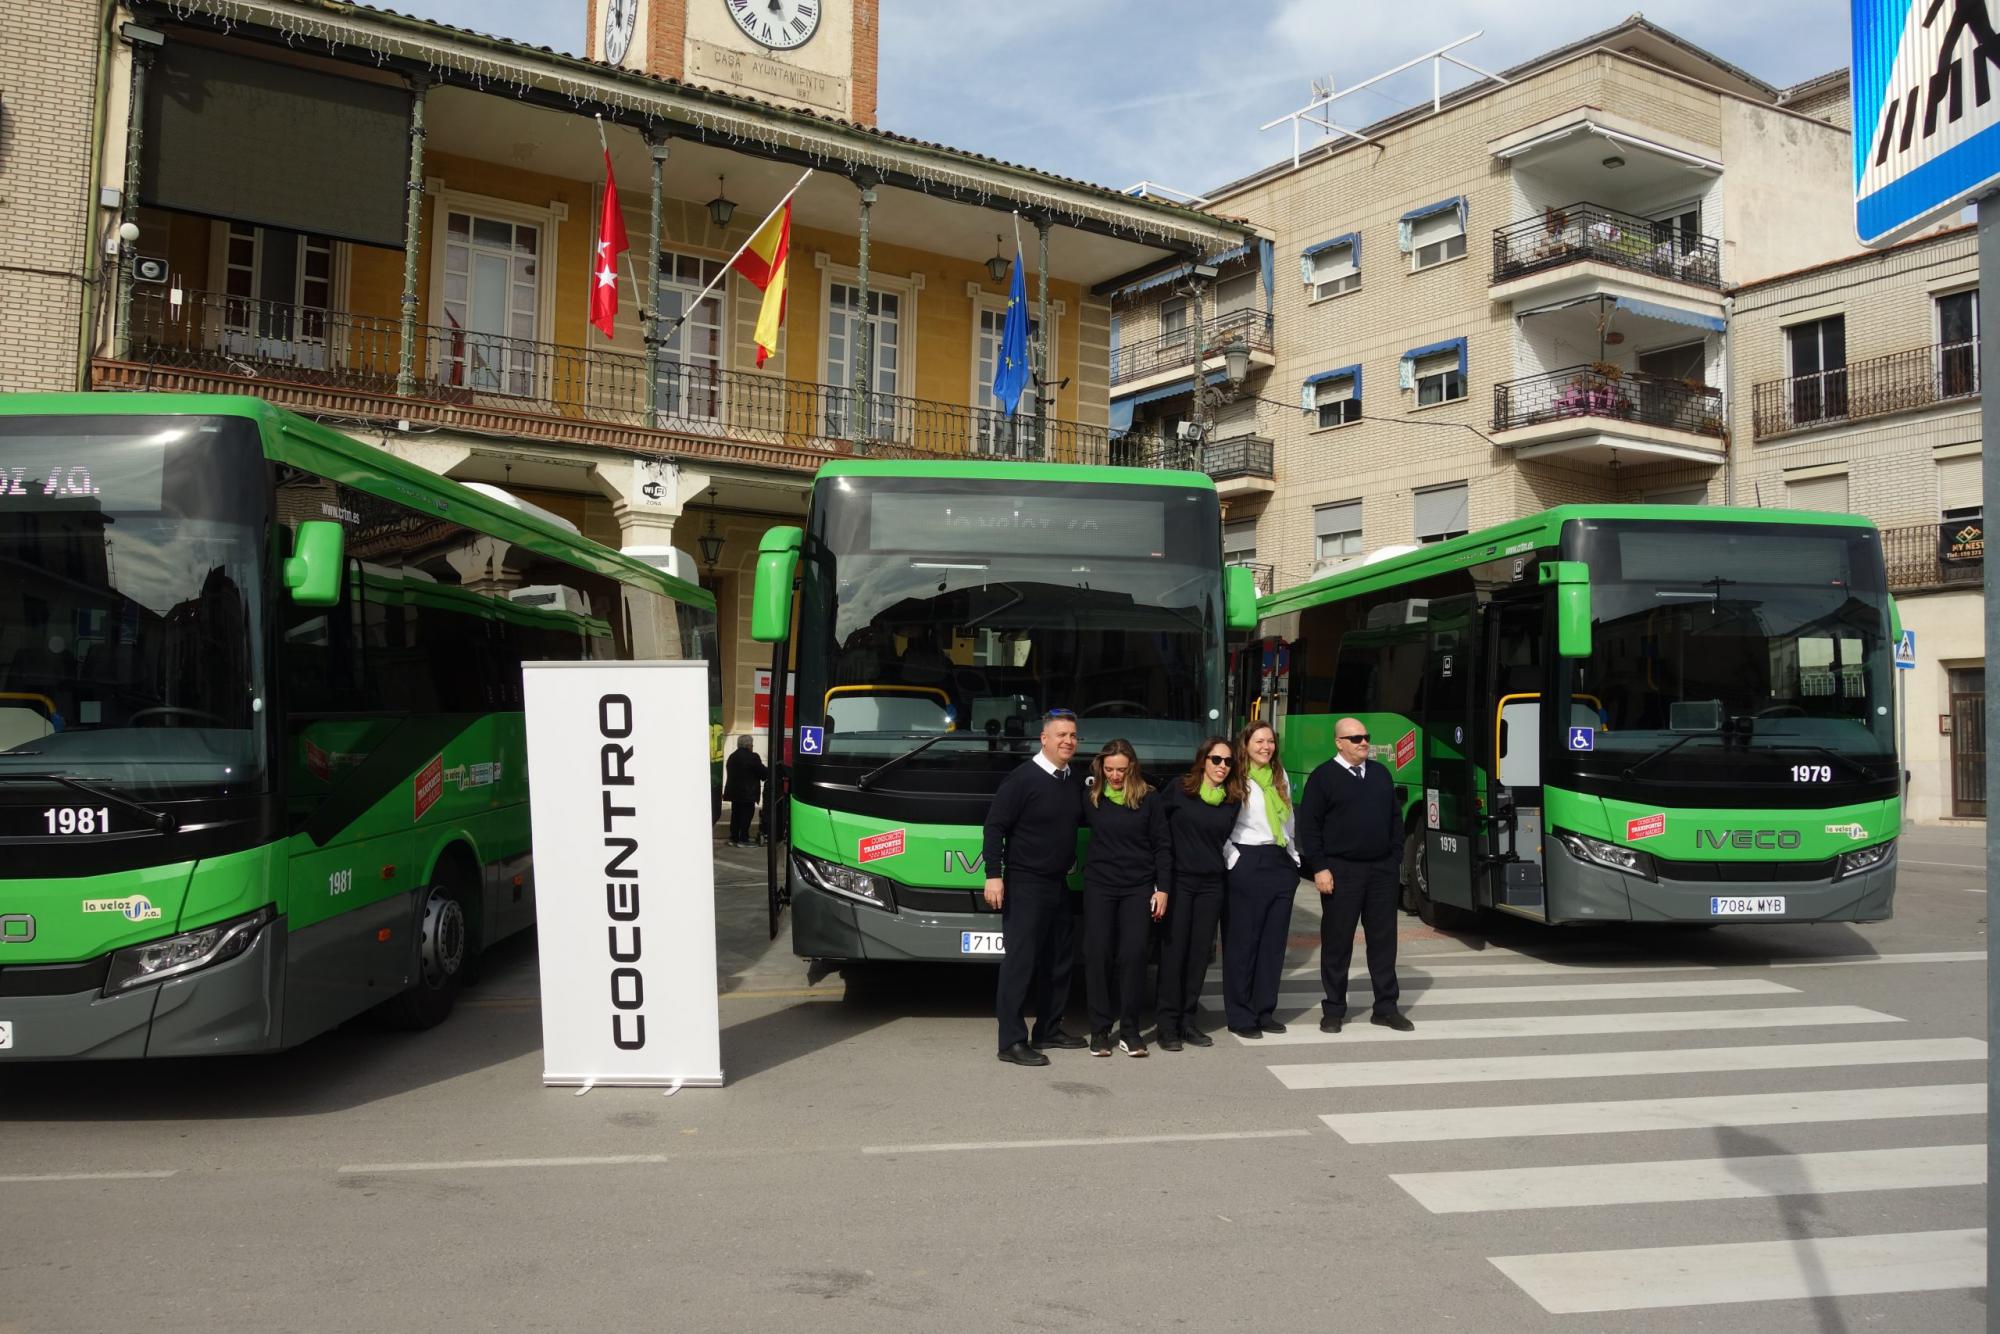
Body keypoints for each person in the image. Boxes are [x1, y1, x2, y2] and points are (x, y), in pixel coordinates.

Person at [983, 710, 1089, 1066]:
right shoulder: (1022, 779)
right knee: (1020, 963)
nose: (1068, 741)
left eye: (1073, 735)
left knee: (1059, 960)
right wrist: (993, 875)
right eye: (1061, 735)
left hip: (1057, 884)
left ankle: (1049, 1029)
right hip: (1025, 883)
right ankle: (1010, 1041)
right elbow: (994, 826)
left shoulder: (1071, 779)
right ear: (1044, 739)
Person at [1297, 718, 1413, 1033]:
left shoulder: (1380, 774)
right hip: (1340, 871)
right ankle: (1334, 1009)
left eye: (1366, 737)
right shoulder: (1323, 777)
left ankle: (1386, 1007)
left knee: (1383, 942)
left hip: (1381, 871)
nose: (1364, 742)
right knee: (1337, 942)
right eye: (1356, 738)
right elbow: (1310, 827)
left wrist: (1394, 859)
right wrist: (1319, 867)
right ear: (1339, 743)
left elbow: (1394, 820)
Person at [1080, 739, 1171, 1057]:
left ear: (1131, 766)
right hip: (1100, 887)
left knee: (1133, 957)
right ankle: (1100, 1030)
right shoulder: (1091, 797)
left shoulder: (1149, 798)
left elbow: (1162, 845)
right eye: (1109, 769)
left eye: (1121, 769)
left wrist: (1163, 888)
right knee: (1098, 955)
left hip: (1138, 887)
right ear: (1101, 769)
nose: (1115, 775)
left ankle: (1130, 1030)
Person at [1155, 736, 1240, 1051]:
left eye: (1228, 761)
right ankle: (1166, 1026)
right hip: (1178, 882)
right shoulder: (1180, 789)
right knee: (1174, 954)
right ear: (1203, 760)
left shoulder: (1232, 799)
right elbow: (1158, 830)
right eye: (1216, 759)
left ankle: (1188, 1022)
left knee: (1198, 956)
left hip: (1211, 885)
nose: (1222, 766)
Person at [1221, 720, 1299, 1039]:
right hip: (1247, 860)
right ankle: (1240, 1015)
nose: (1266, 747)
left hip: (1279, 860)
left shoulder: (1279, 777)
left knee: (1273, 943)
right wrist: (1233, 859)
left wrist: (1293, 857)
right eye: (1259, 741)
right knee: (1243, 942)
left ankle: (1264, 1010)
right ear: (1246, 744)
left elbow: (1289, 818)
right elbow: (1219, 824)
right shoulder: (1235, 777)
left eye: (1270, 741)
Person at [723, 735, 767, 848]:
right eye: (752, 745)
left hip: (734, 793)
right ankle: (743, 839)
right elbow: (763, 773)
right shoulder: (752, 757)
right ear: (749, 745)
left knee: (735, 815)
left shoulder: (732, 756)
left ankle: (733, 838)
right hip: (748, 793)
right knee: (746, 816)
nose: (752, 747)